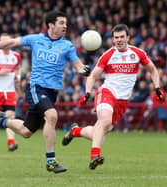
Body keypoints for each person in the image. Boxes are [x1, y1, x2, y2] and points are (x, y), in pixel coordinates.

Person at [0, 11, 91, 173]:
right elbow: (11, 42)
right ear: (51, 25)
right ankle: (51, 161)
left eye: (65, 23)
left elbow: (78, 65)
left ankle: (0, 121)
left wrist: (83, 70)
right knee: (52, 116)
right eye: (61, 23)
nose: (65, 26)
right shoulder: (36, 39)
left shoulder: (67, 46)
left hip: (52, 92)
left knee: (26, 131)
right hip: (36, 88)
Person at [62, 24, 165, 170]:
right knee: (104, 120)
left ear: (128, 37)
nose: (119, 40)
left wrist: (157, 87)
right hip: (107, 92)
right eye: (116, 37)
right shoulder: (108, 55)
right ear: (112, 39)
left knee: (98, 132)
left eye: (122, 37)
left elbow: (153, 70)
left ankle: (75, 131)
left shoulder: (138, 53)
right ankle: (95, 156)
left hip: (122, 101)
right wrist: (87, 92)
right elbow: (93, 75)